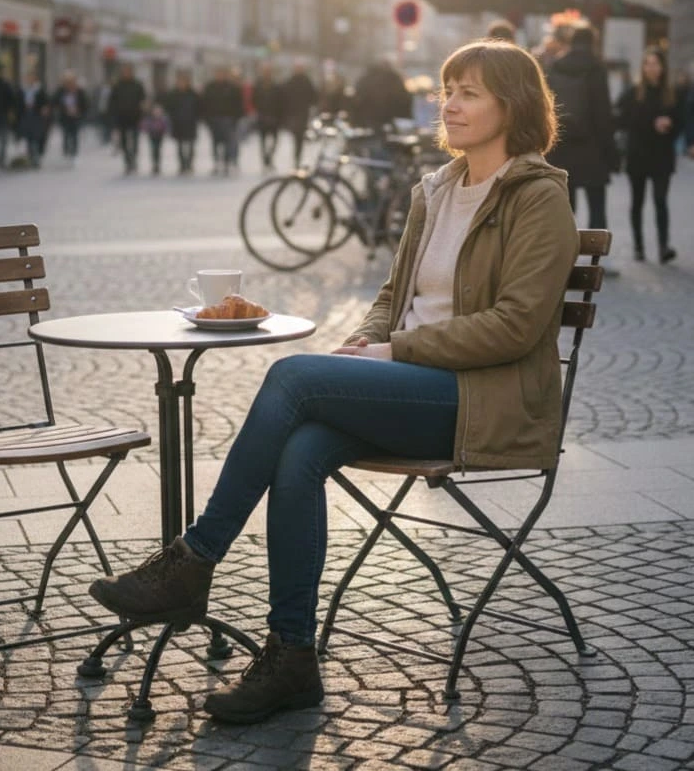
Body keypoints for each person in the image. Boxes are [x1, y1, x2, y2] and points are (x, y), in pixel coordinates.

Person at [88, 40, 577, 725]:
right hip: (409, 383)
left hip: (478, 402)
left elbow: (515, 327)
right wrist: (366, 341)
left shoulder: (538, 200)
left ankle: (192, 560)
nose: (450, 104)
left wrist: (393, 349)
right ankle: (291, 656)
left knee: (293, 378)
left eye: (469, 92)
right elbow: (393, 295)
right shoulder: (437, 191)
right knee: (300, 452)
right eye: (447, 89)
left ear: (513, 105)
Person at [545, 22, 621, 233]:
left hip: (561, 148)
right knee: (597, 208)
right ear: (593, 42)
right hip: (593, 149)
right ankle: (597, 250)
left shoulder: (554, 66)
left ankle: (565, 250)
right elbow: (603, 113)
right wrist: (611, 154)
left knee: (566, 211)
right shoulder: (597, 68)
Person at [617, 47, 684, 263]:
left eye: (656, 63)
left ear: (663, 67)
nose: (651, 68)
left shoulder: (672, 94)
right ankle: (638, 247)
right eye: (648, 63)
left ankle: (663, 247)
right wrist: (652, 123)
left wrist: (670, 124)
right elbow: (622, 118)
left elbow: (681, 121)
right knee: (637, 201)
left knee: (660, 200)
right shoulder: (633, 93)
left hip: (662, 155)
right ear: (643, 67)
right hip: (638, 154)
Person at [351, 60, 412, 137]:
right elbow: (403, 98)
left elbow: (357, 99)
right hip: (388, 119)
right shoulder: (393, 78)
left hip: (368, 120)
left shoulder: (364, 79)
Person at [202, 66, 243, 175]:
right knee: (215, 142)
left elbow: (238, 104)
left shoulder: (232, 88)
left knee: (227, 142)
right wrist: (207, 118)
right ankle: (216, 162)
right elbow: (204, 103)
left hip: (228, 119)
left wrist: (236, 118)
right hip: (213, 119)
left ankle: (226, 162)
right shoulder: (210, 87)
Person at [160, 69, 201, 175]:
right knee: (179, 145)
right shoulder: (173, 94)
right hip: (178, 122)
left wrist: (197, 117)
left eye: (184, 81)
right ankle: (182, 165)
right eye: (180, 81)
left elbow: (199, 107)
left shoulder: (193, 94)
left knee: (191, 144)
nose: (182, 84)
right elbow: (168, 107)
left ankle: (189, 164)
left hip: (190, 122)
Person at [108, 64, 147, 174]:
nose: (126, 74)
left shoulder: (137, 85)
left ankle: (134, 159)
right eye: (124, 72)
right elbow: (112, 101)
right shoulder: (118, 85)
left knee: (135, 140)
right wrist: (113, 115)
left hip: (135, 117)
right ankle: (127, 161)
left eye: (128, 71)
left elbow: (143, 99)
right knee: (124, 141)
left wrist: (143, 112)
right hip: (122, 117)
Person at [281, 61, 319, 168]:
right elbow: (284, 97)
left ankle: (297, 156)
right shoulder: (291, 81)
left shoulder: (306, 81)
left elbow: (313, 97)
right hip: (293, 114)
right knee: (296, 136)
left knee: (299, 137)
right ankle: (296, 156)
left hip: (302, 114)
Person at [53, 71, 88, 165]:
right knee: (66, 135)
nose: (70, 83)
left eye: (71, 80)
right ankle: (66, 153)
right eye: (67, 81)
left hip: (76, 117)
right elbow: (55, 102)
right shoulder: (61, 91)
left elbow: (85, 104)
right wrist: (63, 109)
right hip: (65, 117)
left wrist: (79, 111)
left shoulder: (79, 91)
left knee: (75, 136)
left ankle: (74, 153)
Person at [253, 63, 282, 171]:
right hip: (262, 117)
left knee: (275, 141)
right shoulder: (258, 85)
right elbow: (254, 99)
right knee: (263, 141)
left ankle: (269, 158)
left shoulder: (276, 86)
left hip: (274, 118)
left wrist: (279, 116)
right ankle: (265, 160)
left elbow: (280, 101)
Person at [20, 71, 50, 167]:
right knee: (29, 139)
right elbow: (19, 103)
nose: (30, 80)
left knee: (36, 138)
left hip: (37, 116)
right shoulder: (23, 90)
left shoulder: (39, 90)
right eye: (28, 78)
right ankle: (31, 157)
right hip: (27, 116)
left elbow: (46, 102)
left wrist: (44, 109)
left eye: (32, 78)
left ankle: (36, 159)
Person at [141, 102, 169, 175]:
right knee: (153, 150)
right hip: (152, 136)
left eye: (158, 111)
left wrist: (166, 132)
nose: (157, 113)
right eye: (155, 111)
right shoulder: (149, 119)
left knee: (158, 150)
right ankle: (154, 164)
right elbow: (145, 126)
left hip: (159, 136)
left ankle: (157, 164)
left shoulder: (163, 118)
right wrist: (146, 130)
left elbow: (166, 126)